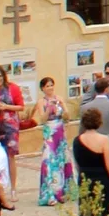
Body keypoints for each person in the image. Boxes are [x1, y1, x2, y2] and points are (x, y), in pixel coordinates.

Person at [32, 77, 74, 206]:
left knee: (62, 161)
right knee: (50, 162)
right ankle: (49, 194)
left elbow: (67, 117)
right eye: (47, 86)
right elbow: (42, 119)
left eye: (51, 85)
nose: (50, 88)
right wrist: (48, 110)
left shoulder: (59, 98)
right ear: (43, 88)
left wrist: (63, 106)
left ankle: (63, 192)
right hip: (50, 132)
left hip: (60, 132)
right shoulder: (41, 102)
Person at [0, 66, 24, 192]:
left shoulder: (13, 88)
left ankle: (13, 189)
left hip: (10, 126)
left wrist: (6, 106)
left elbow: (21, 107)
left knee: (10, 156)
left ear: (4, 76)